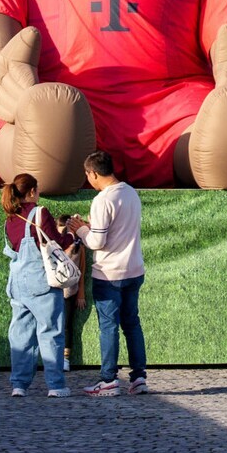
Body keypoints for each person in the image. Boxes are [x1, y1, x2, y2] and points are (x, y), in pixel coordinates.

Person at [76, 151, 146, 397]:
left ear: (93, 173)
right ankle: (139, 378)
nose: (88, 179)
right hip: (134, 268)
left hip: (109, 273)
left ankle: (108, 380)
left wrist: (82, 230)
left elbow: (97, 241)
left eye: (88, 175)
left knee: (109, 327)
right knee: (132, 324)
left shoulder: (102, 200)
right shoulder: (131, 192)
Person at [2, 173, 75, 398]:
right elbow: (58, 242)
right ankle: (55, 386)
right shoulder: (39, 212)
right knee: (51, 332)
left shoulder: (10, 218)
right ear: (32, 191)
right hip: (41, 281)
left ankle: (19, 385)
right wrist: (72, 233)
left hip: (17, 283)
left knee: (21, 335)